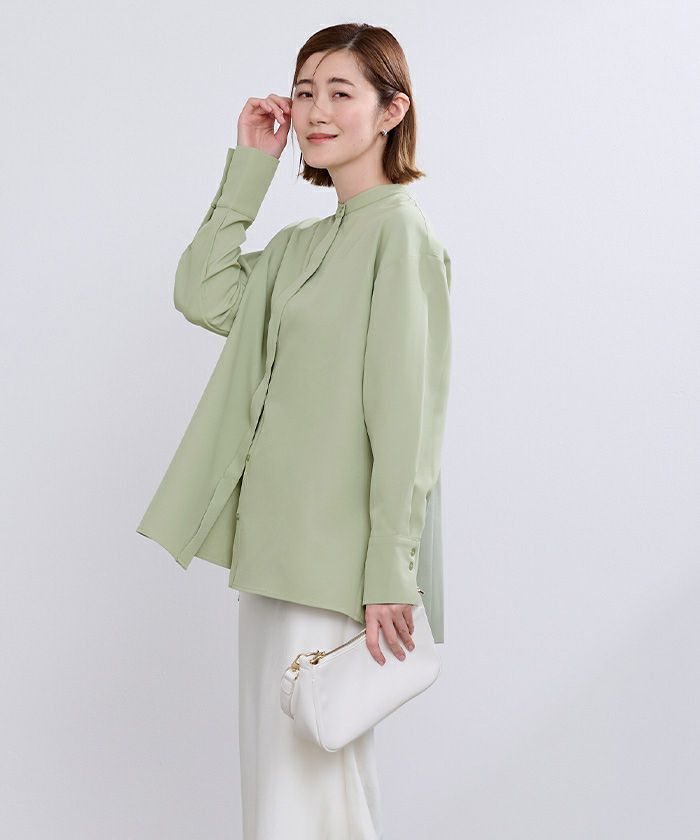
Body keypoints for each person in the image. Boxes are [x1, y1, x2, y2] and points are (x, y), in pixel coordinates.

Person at [136, 22, 452, 840]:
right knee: (279, 793)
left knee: (311, 796)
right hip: (272, 551)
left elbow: (406, 415)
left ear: (391, 111)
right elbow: (202, 292)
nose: (316, 110)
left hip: (340, 564)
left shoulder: (400, 233)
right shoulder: (295, 248)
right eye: (305, 90)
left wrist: (391, 567)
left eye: (341, 92)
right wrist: (251, 166)